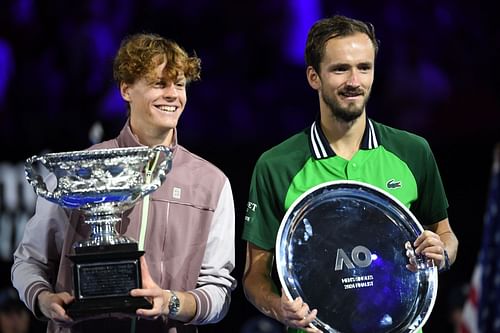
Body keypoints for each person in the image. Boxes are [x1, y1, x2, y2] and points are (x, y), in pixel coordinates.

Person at [242, 14, 458, 333]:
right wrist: (278, 308)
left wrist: (442, 253)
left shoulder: (413, 151)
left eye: (364, 67)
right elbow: (254, 276)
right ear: (314, 77)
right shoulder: (277, 165)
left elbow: (446, 236)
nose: (354, 81)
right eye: (340, 69)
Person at [11, 33, 236, 332]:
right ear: (126, 89)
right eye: (159, 83)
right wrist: (42, 299)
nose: (173, 95)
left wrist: (170, 302)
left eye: (179, 85)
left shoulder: (211, 183)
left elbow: (219, 292)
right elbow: (29, 261)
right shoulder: (79, 170)